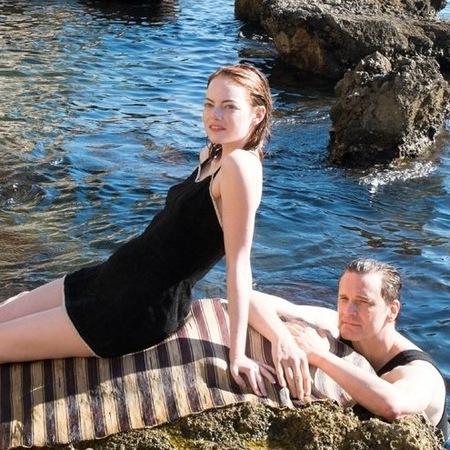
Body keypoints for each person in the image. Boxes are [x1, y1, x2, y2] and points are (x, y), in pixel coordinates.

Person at [0, 62, 295, 397]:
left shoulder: (240, 166)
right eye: (209, 104)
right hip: (107, 279)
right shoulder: (214, 155)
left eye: (229, 106)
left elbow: (239, 263)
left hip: (132, 310)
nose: (215, 115)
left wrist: (238, 353)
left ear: (257, 114)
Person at [249, 258, 448, 442]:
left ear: (392, 310)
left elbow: (393, 405)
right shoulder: (338, 324)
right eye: (344, 298)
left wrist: (319, 355)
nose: (348, 311)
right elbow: (249, 299)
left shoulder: (420, 372)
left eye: (363, 302)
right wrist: (281, 339)